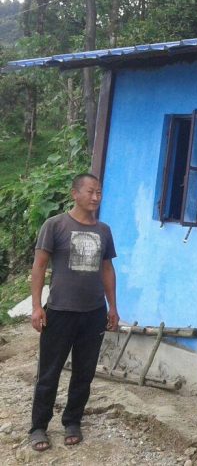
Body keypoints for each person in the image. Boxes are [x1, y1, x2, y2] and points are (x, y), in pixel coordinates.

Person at [29, 173, 119, 452]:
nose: (95, 197)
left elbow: (107, 269)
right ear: (74, 194)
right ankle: (39, 426)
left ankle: (72, 421)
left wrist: (112, 306)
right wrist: (36, 306)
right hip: (60, 311)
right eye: (90, 192)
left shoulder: (103, 230)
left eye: (99, 193)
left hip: (93, 313)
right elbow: (40, 266)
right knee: (49, 372)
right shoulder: (54, 225)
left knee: (84, 373)